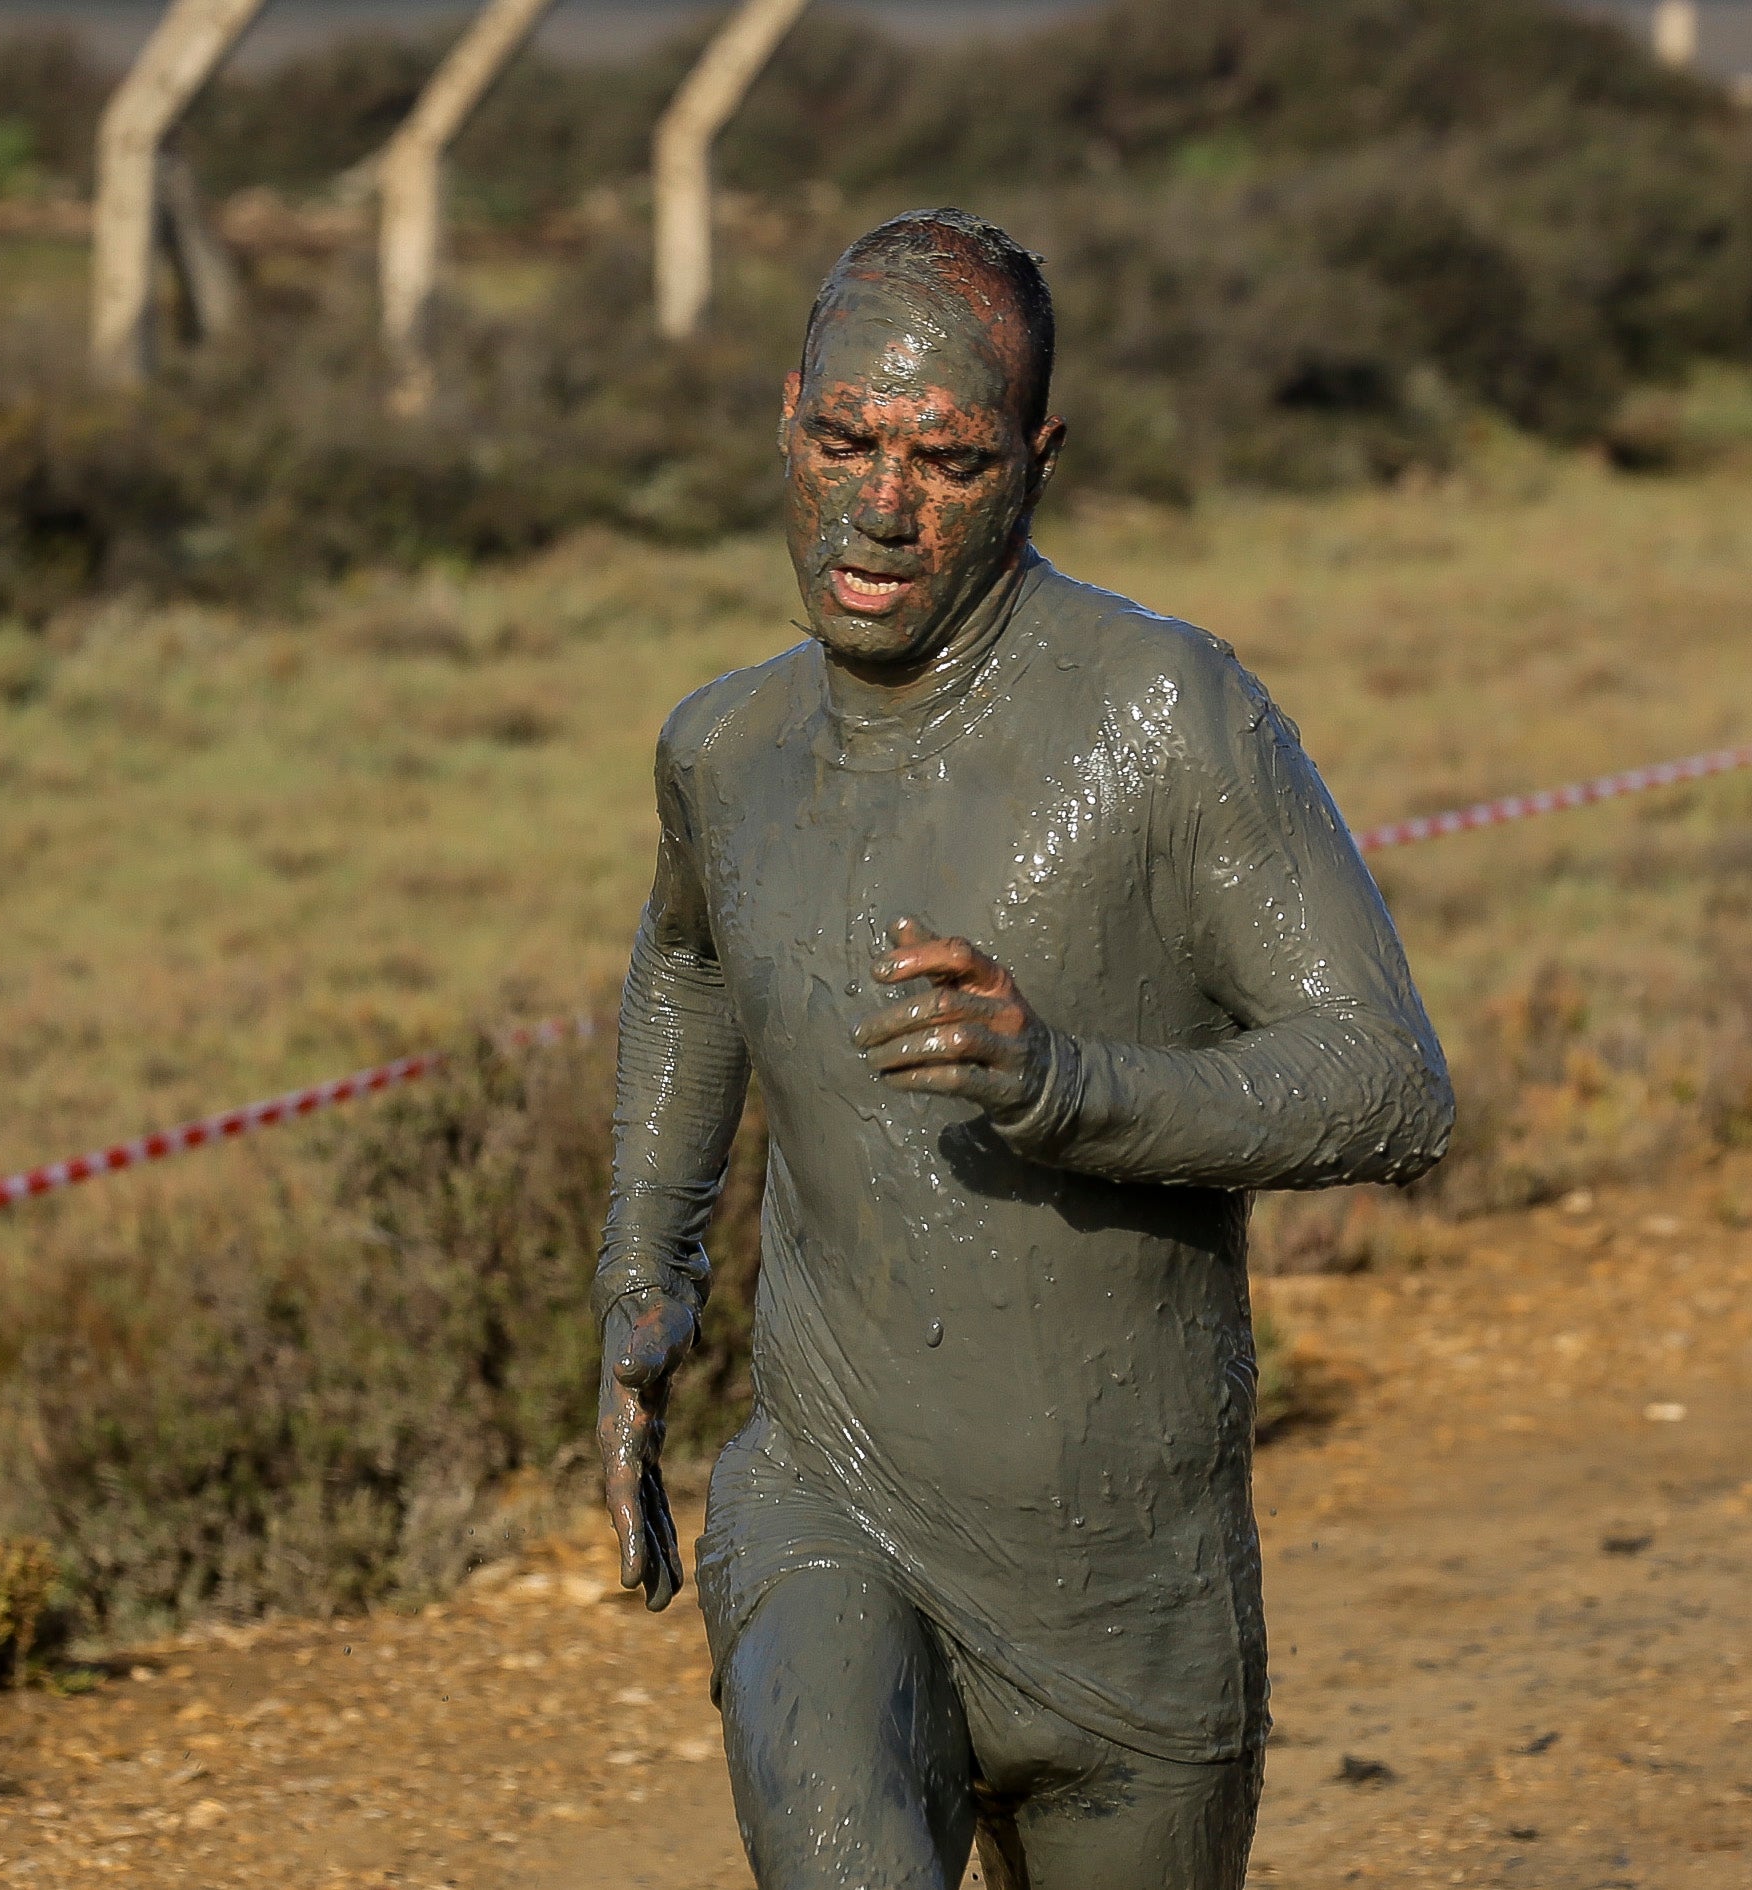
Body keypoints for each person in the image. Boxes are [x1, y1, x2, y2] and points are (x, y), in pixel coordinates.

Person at [591, 209, 1453, 1890]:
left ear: (1037, 459)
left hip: (1133, 1601)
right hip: (833, 1490)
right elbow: (686, 960)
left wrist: (1075, 1087)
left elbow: (1392, 1081)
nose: (880, 504)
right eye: (843, 439)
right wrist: (646, 1280)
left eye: (948, 458)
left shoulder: (1172, 716)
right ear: (788, 415)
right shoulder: (725, 747)